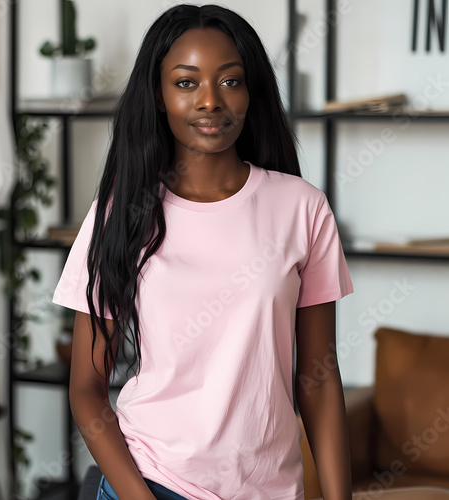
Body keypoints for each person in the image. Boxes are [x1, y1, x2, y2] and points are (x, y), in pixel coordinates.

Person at [52, 4, 354, 500]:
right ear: (159, 94)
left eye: (230, 81)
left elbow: (318, 379)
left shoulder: (302, 208)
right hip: (151, 483)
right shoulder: (120, 213)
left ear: (251, 91)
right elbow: (87, 389)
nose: (210, 101)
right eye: (186, 82)